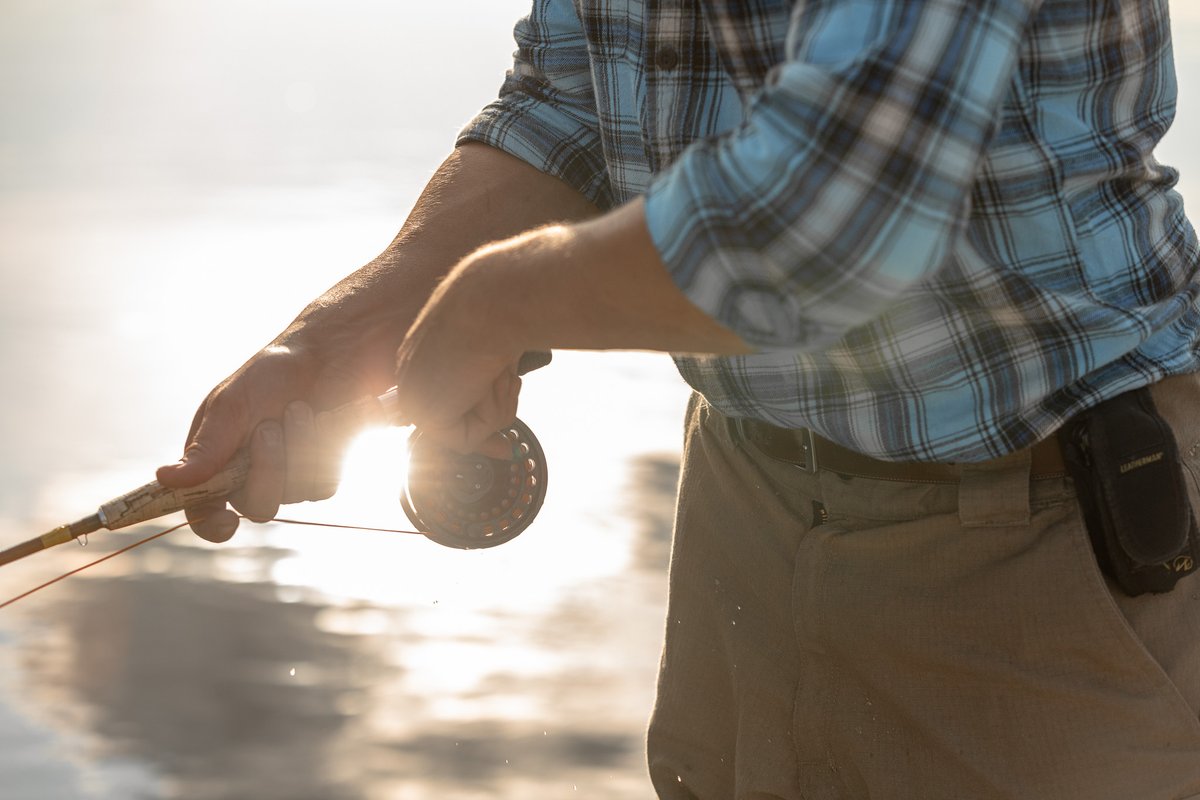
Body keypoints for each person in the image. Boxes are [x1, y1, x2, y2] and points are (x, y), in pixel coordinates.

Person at [156, 0, 1200, 796]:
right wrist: (335, 337)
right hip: (742, 510)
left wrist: (484, 310)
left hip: (1050, 537)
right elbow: (567, 108)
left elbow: (834, 211)